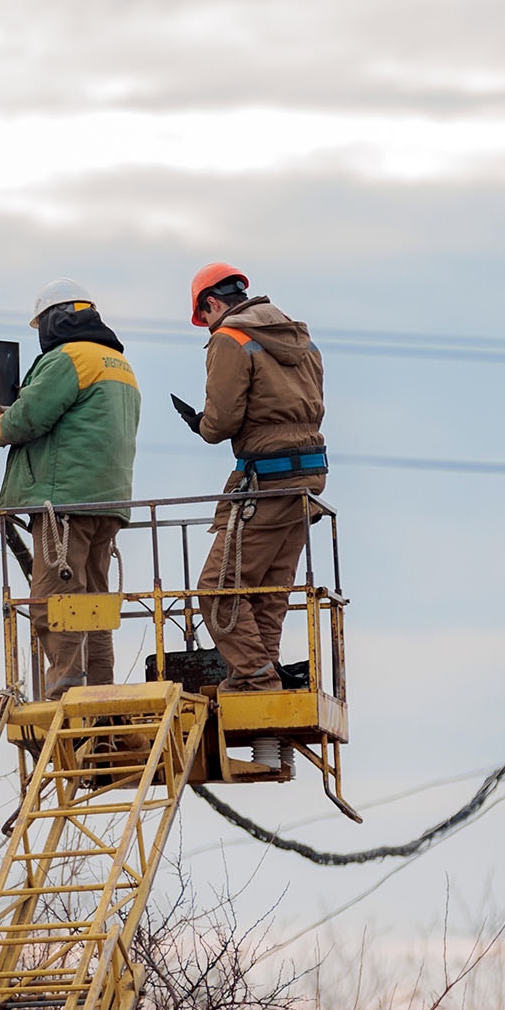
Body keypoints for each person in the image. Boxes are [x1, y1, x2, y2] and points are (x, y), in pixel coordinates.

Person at [0, 279, 140, 697]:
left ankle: (66, 695)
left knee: (56, 601)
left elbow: (30, 417)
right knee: (93, 603)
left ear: (52, 321)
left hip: (63, 504)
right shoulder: (118, 363)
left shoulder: (68, 358)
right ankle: (100, 694)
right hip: (107, 503)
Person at [173, 263, 325, 692]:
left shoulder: (230, 337)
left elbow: (222, 421)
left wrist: (202, 425)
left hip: (268, 480)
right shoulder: (299, 337)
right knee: (268, 591)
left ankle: (255, 679)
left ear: (211, 303)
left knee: (217, 590)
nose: (207, 326)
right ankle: (267, 669)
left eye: (204, 317)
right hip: (308, 478)